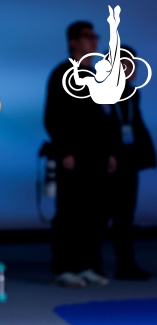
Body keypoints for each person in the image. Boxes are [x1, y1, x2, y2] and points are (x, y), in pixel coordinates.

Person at [44, 21, 120, 288]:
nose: (93, 42)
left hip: (97, 156)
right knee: (70, 213)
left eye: (94, 37)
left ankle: (88, 265)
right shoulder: (62, 74)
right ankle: (64, 267)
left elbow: (105, 119)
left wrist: (110, 152)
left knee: (95, 213)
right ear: (73, 41)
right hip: (73, 156)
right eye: (87, 37)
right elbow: (53, 117)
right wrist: (64, 150)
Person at [110, 45, 155, 280]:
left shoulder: (132, 94)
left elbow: (135, 125)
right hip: (107, 161)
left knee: (125, 214)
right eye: (128, 63)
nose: (134, 68)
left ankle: (125, 264)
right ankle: (89, 264)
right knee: (102, 214)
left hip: (128, 161)